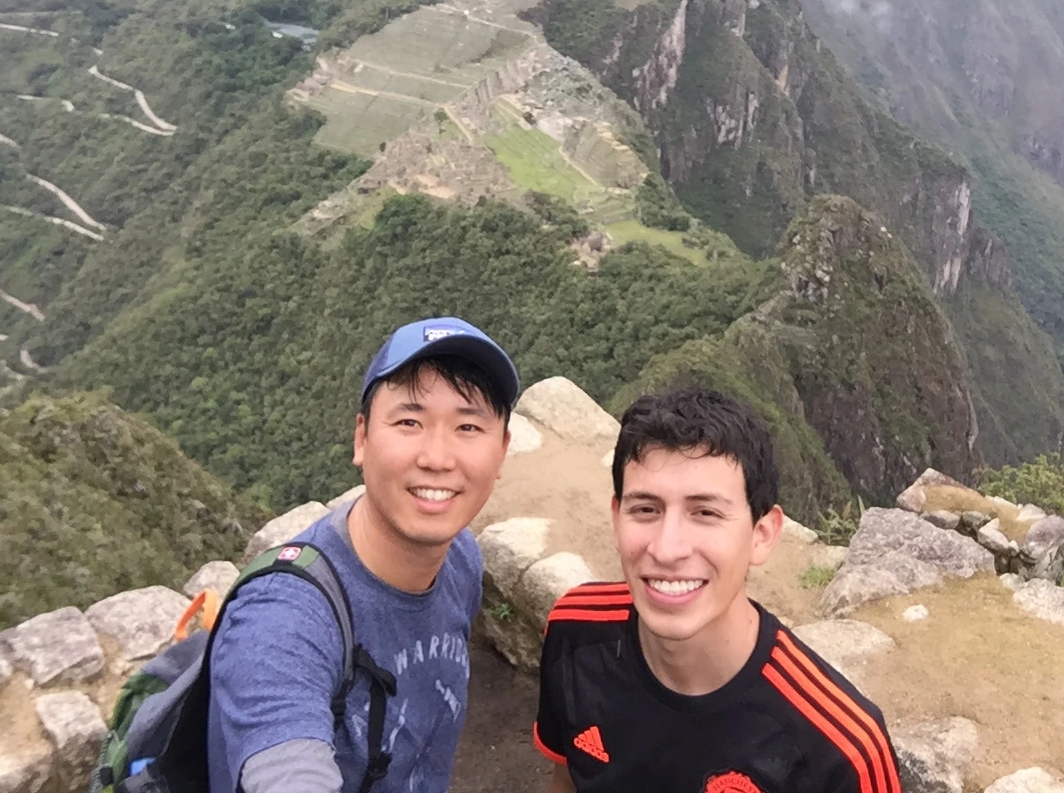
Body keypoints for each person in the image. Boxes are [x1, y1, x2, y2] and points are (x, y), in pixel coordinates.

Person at [533, 387, 902, 793]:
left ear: (762, 534)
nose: (667, 549)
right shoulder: (576, 631)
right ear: (617, 519)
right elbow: (566, 779)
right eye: (646, 510)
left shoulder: (840, 751)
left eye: (705, 513)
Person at [207, 316, 519, 793]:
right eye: (409, 422)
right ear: (362, 438)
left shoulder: (460, 559)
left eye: (469, 426)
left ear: (502, 451)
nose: (437, 458)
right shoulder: (282, 618)